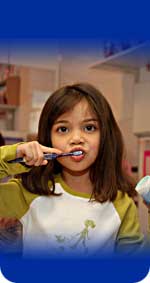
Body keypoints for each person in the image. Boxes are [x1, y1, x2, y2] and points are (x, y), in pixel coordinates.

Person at [0, 82, 144, 257]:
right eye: (63, 129)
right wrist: (14, 154)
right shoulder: (26, 192)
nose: (76, 138)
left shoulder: (122, 204)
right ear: (48, 140)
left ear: (106, 136)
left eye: (89, 128)